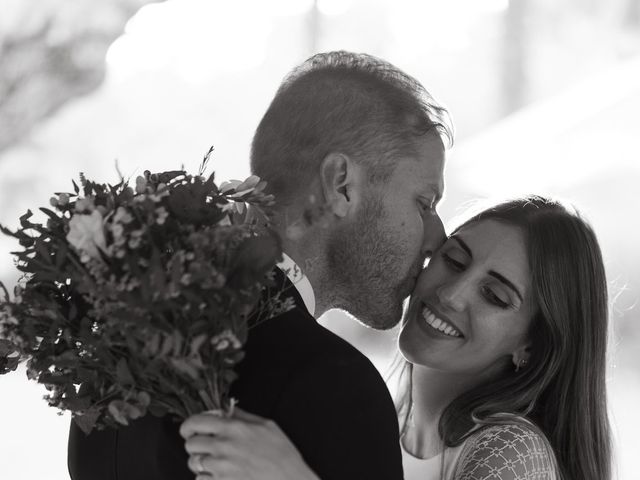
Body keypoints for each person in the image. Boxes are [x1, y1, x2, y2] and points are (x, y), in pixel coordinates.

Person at [68, 51, 453, 480]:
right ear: (341, 184)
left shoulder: (120, 351)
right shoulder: (334, 388)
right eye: (424, 202)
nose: (436, 239)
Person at [183, 196, 612, 480]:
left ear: (531, 346)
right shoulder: (376, 415)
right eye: (455, 260)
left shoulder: (512, 453)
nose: (450, 293)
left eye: (494, 296)